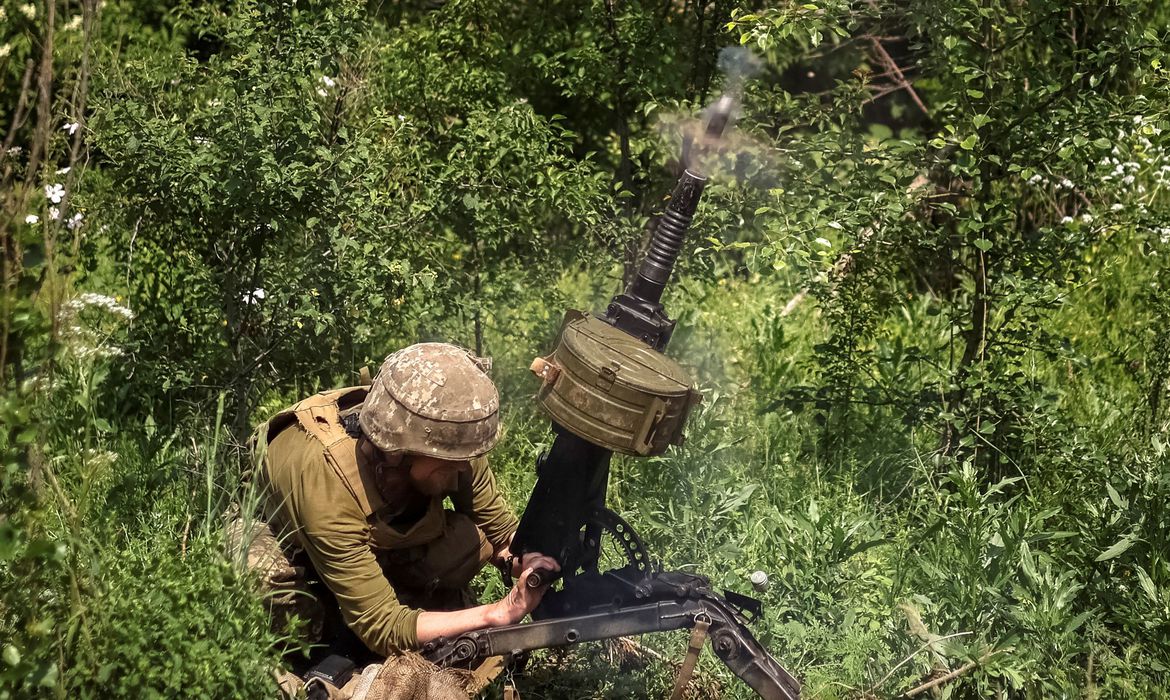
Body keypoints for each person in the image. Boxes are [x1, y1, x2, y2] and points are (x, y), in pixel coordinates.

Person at [240, 342, 558, 667]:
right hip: (285, 540)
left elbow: (501, 532)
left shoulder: (449, 440)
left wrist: (521, 560)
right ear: (394, 452)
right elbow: (382, 626)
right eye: (450, 462)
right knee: (277, 601)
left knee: (469, 541)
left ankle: (384, 596)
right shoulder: (327, 481)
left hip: (372, 534)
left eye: (467, 458)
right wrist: (497, 614)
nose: (464, 468)